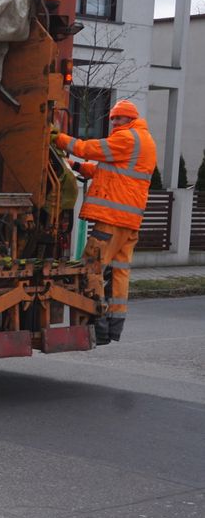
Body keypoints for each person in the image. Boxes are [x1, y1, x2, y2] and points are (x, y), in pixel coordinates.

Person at [53, 99, 156, 345]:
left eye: (117, 119)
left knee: (91, 266)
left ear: (130, 118)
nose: (113, 123)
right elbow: (107, 172)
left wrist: (57, 138)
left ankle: (97, 323)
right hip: (129, 222)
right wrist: (75, 166)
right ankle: (114, 326)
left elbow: (90, 148)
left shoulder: (128, 138)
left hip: (113, 220)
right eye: (112, 119)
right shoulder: (143, 142)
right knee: (120, 272)